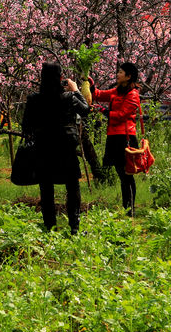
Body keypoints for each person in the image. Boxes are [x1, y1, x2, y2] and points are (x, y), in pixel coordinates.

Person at [22, 63, 90, 234]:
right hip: (66, 148)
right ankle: (74, 227)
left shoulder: (33, 99)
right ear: (60, 78)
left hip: (43, 149)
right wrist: (76, 90)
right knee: (72, 186)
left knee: (46, 189)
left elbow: (26, 127)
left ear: (41, 78)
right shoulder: (68, 97)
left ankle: (49, 228)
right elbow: (86, 110)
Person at [92, 62, 141, 216]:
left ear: (128, 76)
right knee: (121, 173)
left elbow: (122, 115)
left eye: (120, 72)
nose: (117, 74)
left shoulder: (133, 95)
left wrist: (103, 111)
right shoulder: (117, 91)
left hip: (125, 137)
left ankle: (130, 209)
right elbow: (99, 95)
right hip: (113, 136)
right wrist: (90, 84)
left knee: (127, 174)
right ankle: (127, 208)